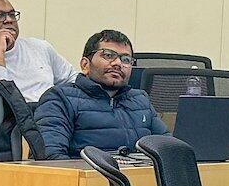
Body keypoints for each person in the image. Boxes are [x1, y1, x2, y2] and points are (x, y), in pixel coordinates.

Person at [34, 30, 167, 160]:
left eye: (126, 59)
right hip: (86, 179)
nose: (118, 63)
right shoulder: (60, 98)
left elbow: (169, 150)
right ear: (85, 64)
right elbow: (51, 158)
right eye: (108, 55)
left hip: (140, 179)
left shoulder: (140, 100)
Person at [0, 0, 73, 101]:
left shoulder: (39, 47)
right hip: (10, 116)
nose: (9, 20)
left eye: (12, 15)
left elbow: (72, 78)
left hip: (48, 113)